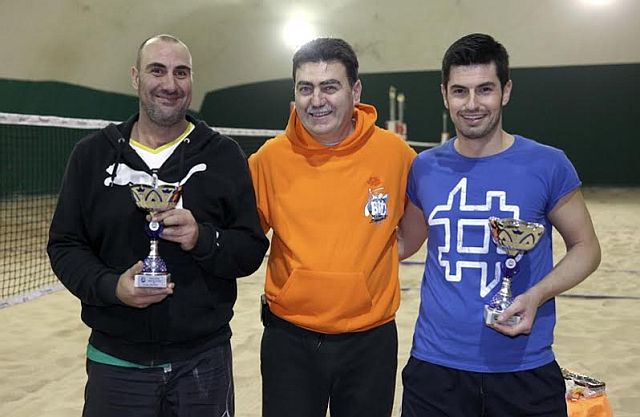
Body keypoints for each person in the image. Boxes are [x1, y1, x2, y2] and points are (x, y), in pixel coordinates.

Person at [47, 34, 268, 417]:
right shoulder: (92, 155)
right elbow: (65, 245)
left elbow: (249, 249)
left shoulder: (223, 154)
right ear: (136, 77)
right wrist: (112, 287)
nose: (170, 84)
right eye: (157, 70)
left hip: (203, 359)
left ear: (191, 80)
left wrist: (202, 238)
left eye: (181, 72)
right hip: (115, 361)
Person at [397, 33, 601, 417]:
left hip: (524, 365)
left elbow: (586, 248)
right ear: (444, 95)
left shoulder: (548, 164)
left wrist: (537, 295)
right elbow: (404, 243)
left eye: (485, 89)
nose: (472, 104)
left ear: (505, 91)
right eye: (460, 91)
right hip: (436, 366)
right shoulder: (424, 168)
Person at [248, 37, 416, 417]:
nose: (316, 100)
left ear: (355, 92)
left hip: (370, 341)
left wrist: (385, 254)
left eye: (329, 86)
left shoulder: (395, 155)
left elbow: (417, 221)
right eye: (305, 88)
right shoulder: (268, 160)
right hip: (289, 339)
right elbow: (244, 237)